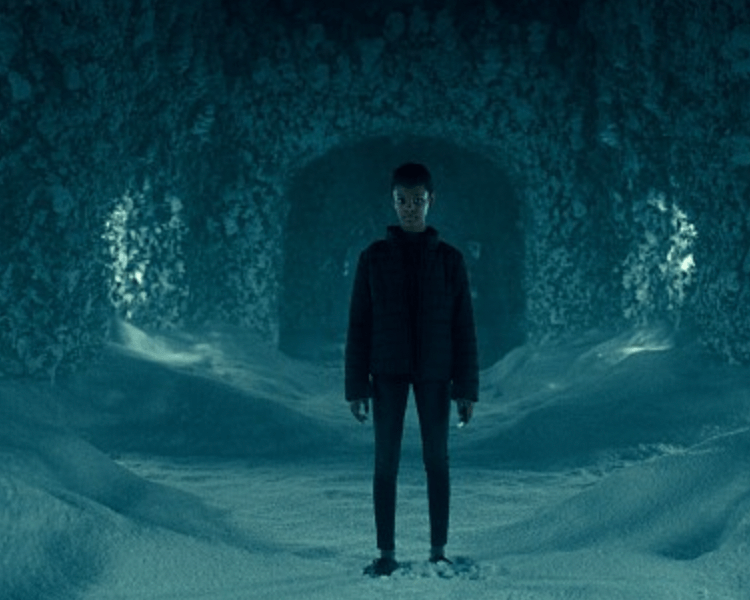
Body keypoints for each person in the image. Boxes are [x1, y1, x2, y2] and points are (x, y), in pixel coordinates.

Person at [345, 162, 479, 577]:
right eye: (402, 200)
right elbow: (359, 324)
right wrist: (356, 386)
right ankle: (386, 553)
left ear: (430, 201)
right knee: (385, 462)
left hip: (435, 372)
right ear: (392, 201)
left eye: (417, 200)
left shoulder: (450, 261)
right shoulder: (373, 258)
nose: (409, 208)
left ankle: (438, 550)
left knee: (436, 460)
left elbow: (463, 326)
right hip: (386, 372)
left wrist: (466, 387)